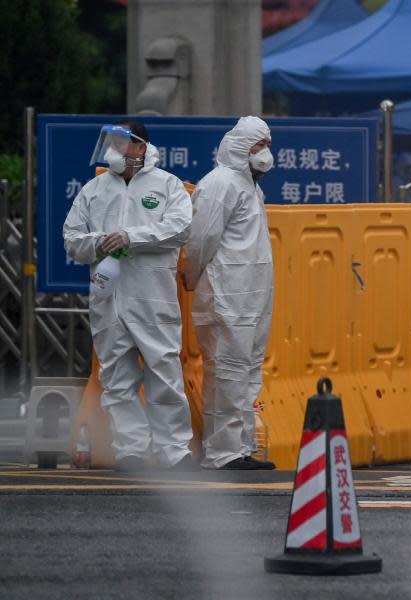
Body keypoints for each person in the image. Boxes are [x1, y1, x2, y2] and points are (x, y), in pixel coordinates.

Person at [63, 120, 195, 471]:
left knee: (163, 373)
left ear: (140, 147)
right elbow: (72, 238)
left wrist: (131, 237)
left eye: (121, 142)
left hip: (152, 296)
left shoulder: (167, 185)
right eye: (110, 141)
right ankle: (131, 450)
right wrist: (99, 242)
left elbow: (180, 228)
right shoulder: (94, 189)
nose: (113, 149)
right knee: (117, 379)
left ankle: (174, 452)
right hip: (108, 298)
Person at [182, 117, 276, 470]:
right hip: (226, 296)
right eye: (258, 145)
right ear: (239, 147)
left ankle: (241, 446)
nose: (265, 153)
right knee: (227, 372)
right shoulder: (220, 184)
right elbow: (200, 240)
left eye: (267, 144)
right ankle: (223, 452)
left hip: (250, 297)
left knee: (247, 372)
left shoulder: (250, 186)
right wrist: (192, 279)